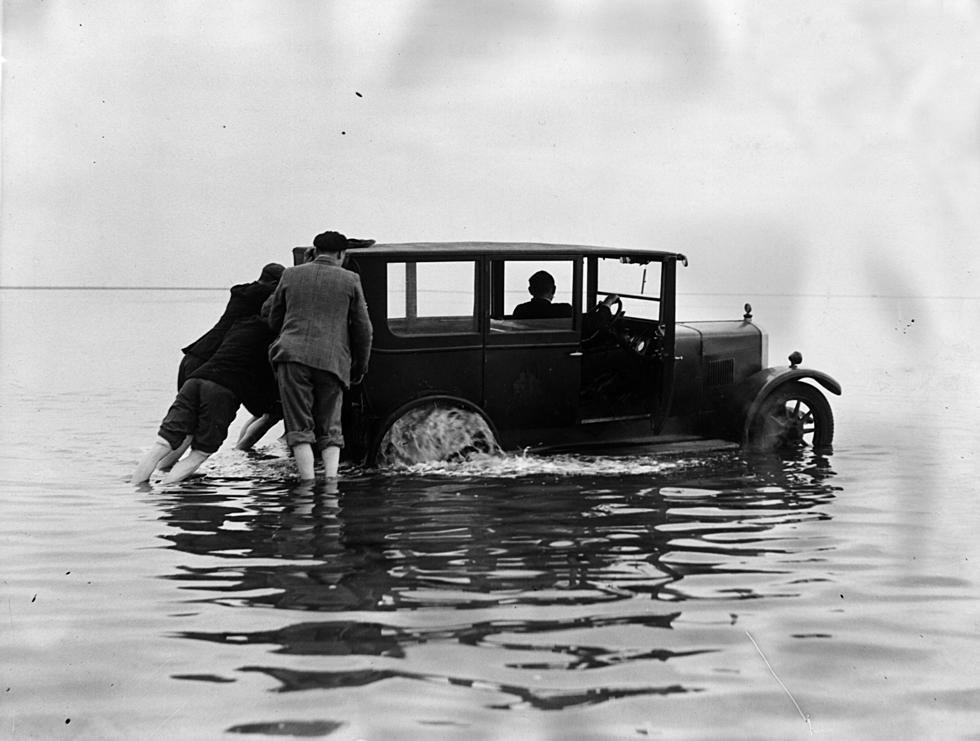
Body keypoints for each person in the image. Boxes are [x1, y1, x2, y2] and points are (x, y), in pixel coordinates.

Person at [265, 230, 373, 481]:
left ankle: (307, 482)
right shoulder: (350, 279)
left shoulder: (290, 275)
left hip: (292, 358)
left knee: (299, 424)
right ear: (341, 254)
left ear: (314, 251)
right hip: (332, 361)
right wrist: (360, 367)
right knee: (330, 423)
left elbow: (273, 318)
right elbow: (364, 329)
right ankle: (331, 483)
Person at [131, 314, 277, 484]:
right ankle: (166, 492)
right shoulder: (272, 335)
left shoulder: (242, 323)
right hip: (222, 390)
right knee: (200, 453)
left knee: (162, 445)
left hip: (195, 379)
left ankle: (137, 494)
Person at [177, 262, 285, 388]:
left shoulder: (242, 292)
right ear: (274, 284)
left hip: (193, 355)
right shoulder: (265, 294)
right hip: (207, 364)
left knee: (186, 404)